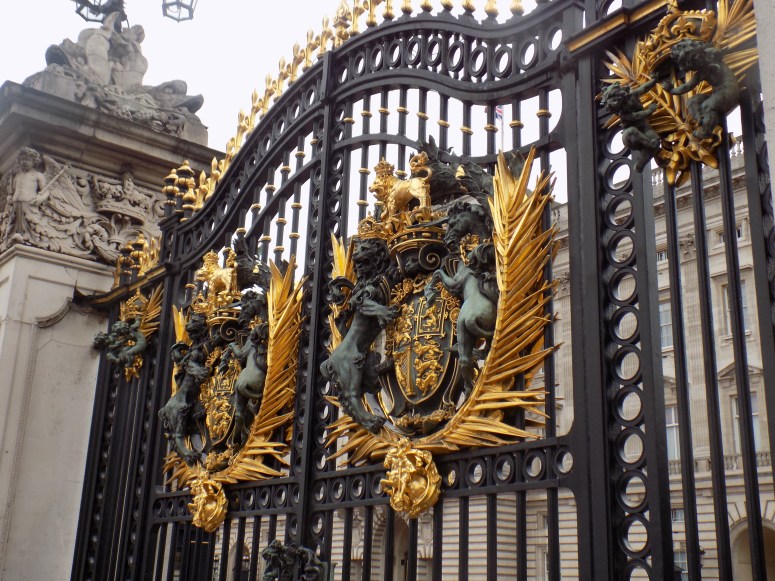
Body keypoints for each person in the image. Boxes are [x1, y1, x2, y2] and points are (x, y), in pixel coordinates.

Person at [7, 148, 47, 243]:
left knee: (32, 222)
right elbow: (12, 189)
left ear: (34, 161)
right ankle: (14, 237)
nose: (24, 162)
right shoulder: (17, 175)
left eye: (28, 160)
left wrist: (41, 197)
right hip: (16, 203)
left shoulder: (38, 175)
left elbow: (45, 191)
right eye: (22, 159)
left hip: (29, 203)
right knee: (14, 222)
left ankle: (35, 239)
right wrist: (9, 195)